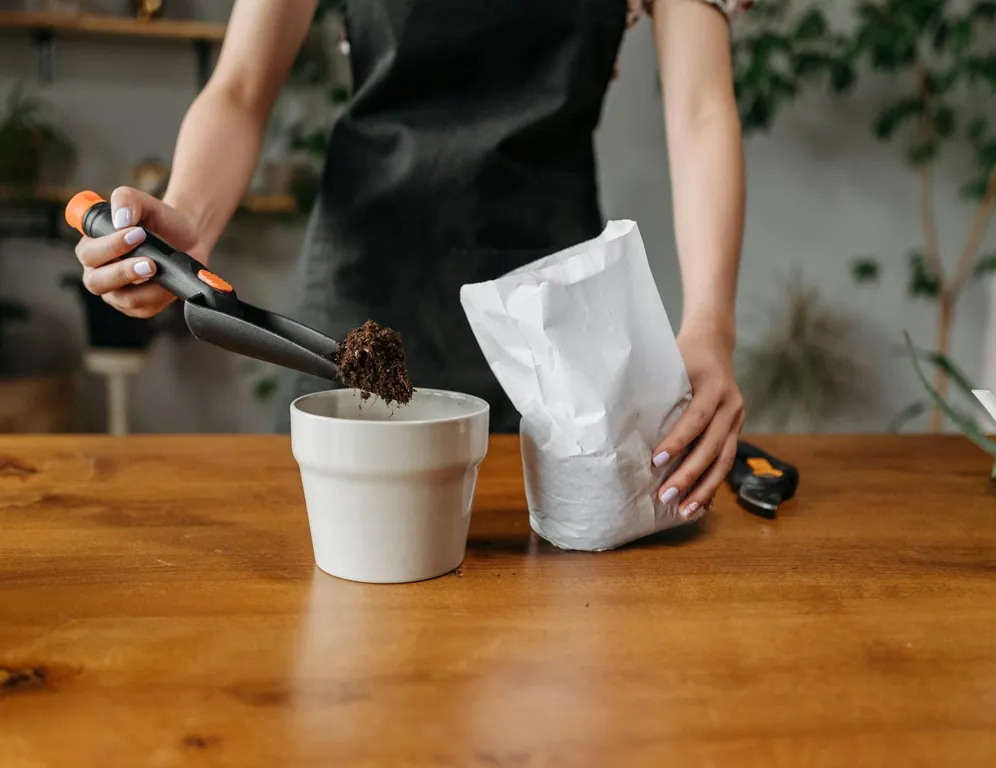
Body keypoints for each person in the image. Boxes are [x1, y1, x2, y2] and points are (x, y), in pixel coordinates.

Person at [73, 0, 752, 519]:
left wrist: (709, 328)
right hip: (358, 293)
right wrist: (190, 214)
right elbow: (242, 86)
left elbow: (700, 112)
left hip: (548, 325)